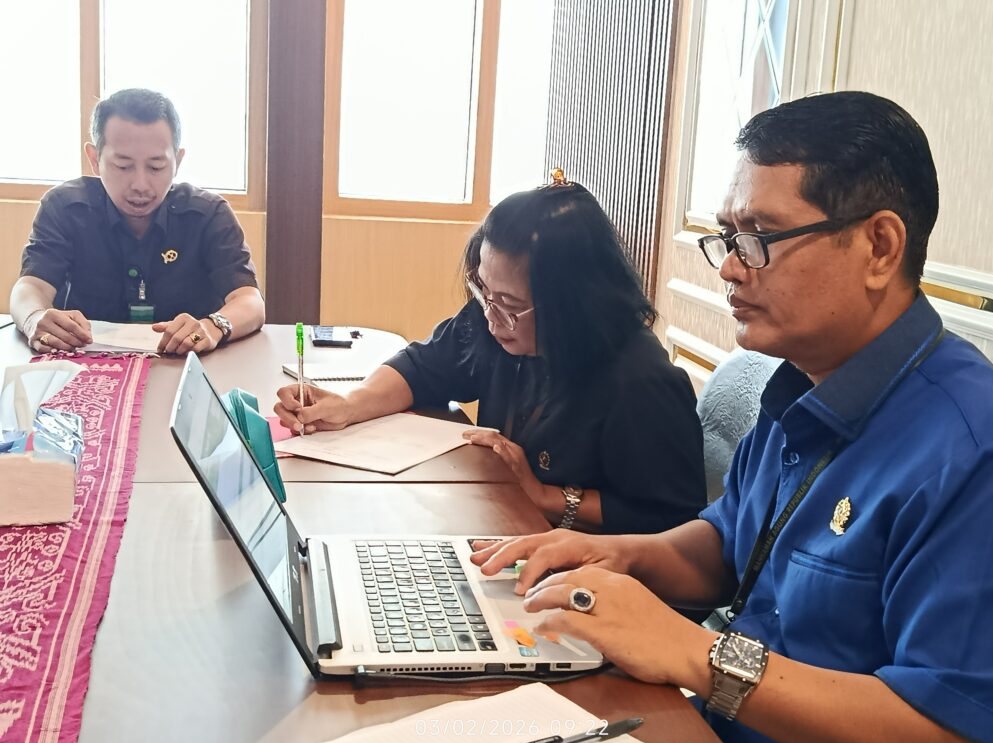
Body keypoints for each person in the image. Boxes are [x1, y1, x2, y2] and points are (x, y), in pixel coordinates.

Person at [471, 92, 993, 743]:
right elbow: (730, 544)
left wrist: (698, 655)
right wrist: (614, 556)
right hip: (705, 736)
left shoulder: (984, 451)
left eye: (760, 238)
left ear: (879, 247)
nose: (731, 267)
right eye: (728, 237)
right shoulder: (799, 383)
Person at [275, 175, 707, 534]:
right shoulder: (497, 318)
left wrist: (544, 496)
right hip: (501, 526)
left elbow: (669, 521)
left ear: (573, 303)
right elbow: (424, 367)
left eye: (511, 305)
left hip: (588, 574)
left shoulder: (641, 383)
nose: (491, 316)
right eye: (483, 291)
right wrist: (349, 406)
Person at [10, 88, 265, 355]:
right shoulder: (64, 207)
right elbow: (31, 286)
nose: (140, 185)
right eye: (123, 166)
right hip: (88, 364)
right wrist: (33, 318)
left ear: (177, 161)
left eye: (156, 167)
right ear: (95, 159)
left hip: (188, 363)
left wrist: (213, 327)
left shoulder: (209, 213)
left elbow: (250, 300)